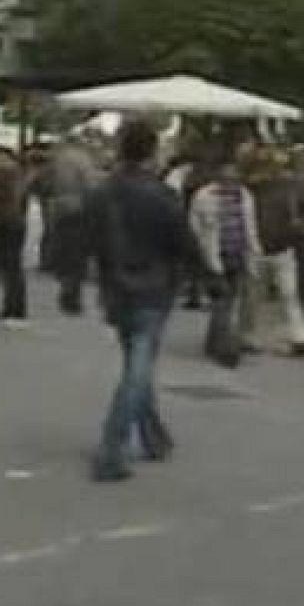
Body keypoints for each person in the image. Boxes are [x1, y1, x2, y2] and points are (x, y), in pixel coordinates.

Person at [83, 119, 210, 483]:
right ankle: (113, 447)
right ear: (152, 151)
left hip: (115, 286)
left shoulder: (102, 192)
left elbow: (85, 237)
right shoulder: (161, 195)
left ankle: (154, 436)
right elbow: (182, 241)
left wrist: (73, 282)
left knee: (135, 361)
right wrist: (207, 276)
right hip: (153, 286)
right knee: (138, 368)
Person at [189, 150, 262, 364]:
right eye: (226, 178)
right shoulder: (204, 196)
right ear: (218, 177)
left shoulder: (246, 196)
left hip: (238, 255)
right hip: (213, 256)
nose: (231, 182)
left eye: (234, 178)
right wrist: (198, 253)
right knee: (221, 301)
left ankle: (214, 341)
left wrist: (255, 252)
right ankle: (225, 349)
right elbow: (194, 227)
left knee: (229, 302)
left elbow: (250, 227)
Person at [245, 147, 304, 357]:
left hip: (281, 247)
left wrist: (303, 226)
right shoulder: (250, 189)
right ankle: (249, 335)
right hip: (257, 247)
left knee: (288, 293)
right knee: (254, 297)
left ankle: (300, 337)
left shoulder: (287, 189)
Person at [45, 136, 98, 316]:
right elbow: (91, 186)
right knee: (77, 253)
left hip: (59, 208)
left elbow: (46, 183)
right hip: (79, 209)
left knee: (63, 250)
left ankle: (65, 287)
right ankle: (72, 295)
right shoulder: (83, 160)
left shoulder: (57, 159)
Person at [0, 146, 30, 327]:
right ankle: (13, 306)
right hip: (15, 223)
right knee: (12, 266)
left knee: (8, 266)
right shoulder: (18, 176)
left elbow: (6, 203)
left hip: (7, 224)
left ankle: (14, 307)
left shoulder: (8, 175)